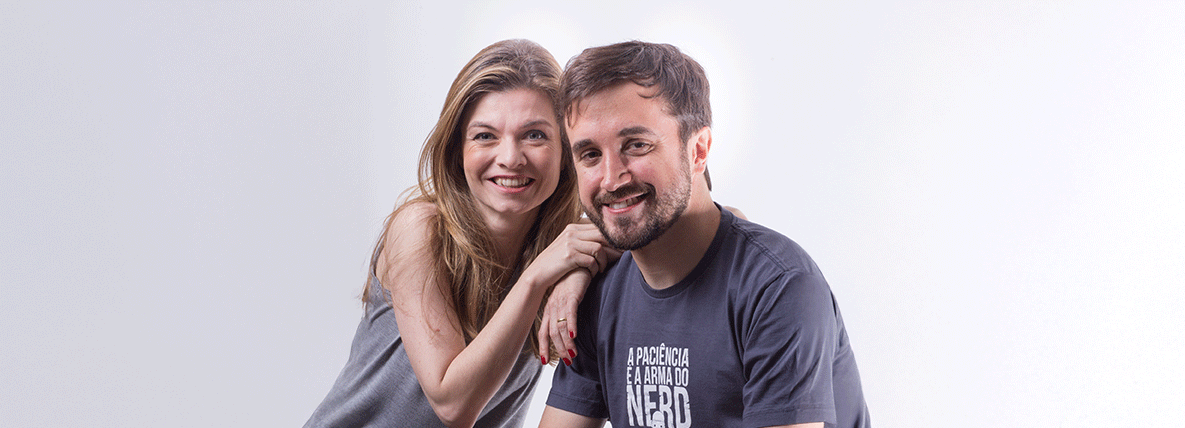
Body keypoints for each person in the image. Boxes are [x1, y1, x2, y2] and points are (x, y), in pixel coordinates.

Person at [538, 41, 871, 428]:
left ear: (698, 150)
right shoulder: (599, 297)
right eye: (590, 154)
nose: (611, 179)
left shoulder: (779, 287)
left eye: (637, 145)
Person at [303, 39, 615, 428]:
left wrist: (574, 274)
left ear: (566, 150)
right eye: (485, 136)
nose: (510, 158)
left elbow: (661, 228)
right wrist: (538, 277)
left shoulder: (566, 247)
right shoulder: (420, 229)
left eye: (534, 135)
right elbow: (452, 405)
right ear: (458, 149)